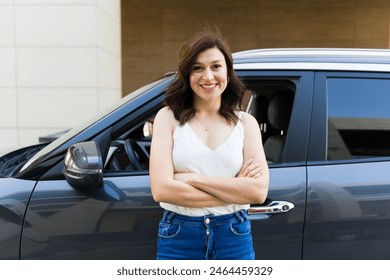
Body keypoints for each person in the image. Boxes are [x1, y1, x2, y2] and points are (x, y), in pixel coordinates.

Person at [149, 30, 269, 260]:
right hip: (178, 235)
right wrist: (236, 190)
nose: (208, 76)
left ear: (227, 71)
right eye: (198, 68)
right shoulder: (167, 118)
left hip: (233, 236)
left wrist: (191, 179)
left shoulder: (246, 124)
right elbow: (162, 190)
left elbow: (258, 192)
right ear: (187, 74)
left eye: (216, 66)